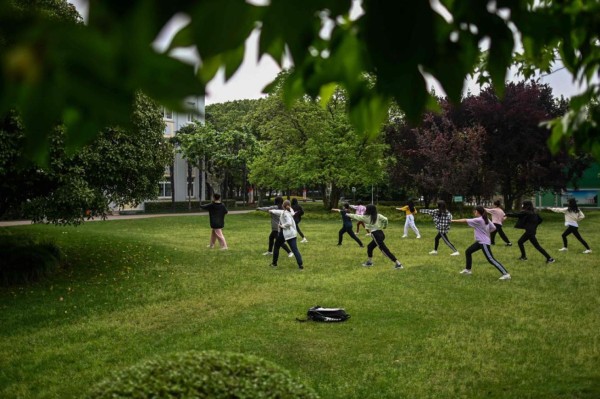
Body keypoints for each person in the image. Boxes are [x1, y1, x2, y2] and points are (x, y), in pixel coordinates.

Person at [452, 205, 511, 280]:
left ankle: (506, 274)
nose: (474, 212)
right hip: (480, 242)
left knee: (490, 259)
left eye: (475, 211)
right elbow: (493, 228)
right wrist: (485, 232)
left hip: (484, 242)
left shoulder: (479, 220)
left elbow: (465, 220)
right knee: (468, 251)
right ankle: (468, 270)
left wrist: (452, 220)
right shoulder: (486, 219)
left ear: (478, 212)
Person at [345, 204, 404, 269]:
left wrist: (347, 214)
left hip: (376, 235)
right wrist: (384, 226)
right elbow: (386, 219)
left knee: (384, 250)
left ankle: (398, 264)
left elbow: (356, 216)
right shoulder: (378, 215)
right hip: (381, 234)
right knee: (370, 247)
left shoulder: (366, 217)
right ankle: (369, 262)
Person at [269, 200, 304, 269]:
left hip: (286, 233)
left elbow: (289, 223)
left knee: (276, 246)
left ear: (283, 206)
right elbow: (280, 212)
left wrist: (282, 226)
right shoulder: (289, 211)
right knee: (295, 249)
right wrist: (272, 211)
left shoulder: (286, 214)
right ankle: (300, 265)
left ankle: (274, 264)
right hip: (292, 233)